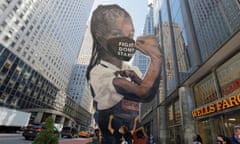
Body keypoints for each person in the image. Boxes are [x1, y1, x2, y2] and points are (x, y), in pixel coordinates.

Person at [86, 4, 162, 144]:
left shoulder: (131, 69)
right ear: (100, 37)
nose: (126, 40)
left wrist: (134, 77)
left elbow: (152, 91)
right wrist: (156, 59)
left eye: (130, 35)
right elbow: (143, 92)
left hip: (132, 123)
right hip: (111, 127)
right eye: (116, 33)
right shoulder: (99, 72)